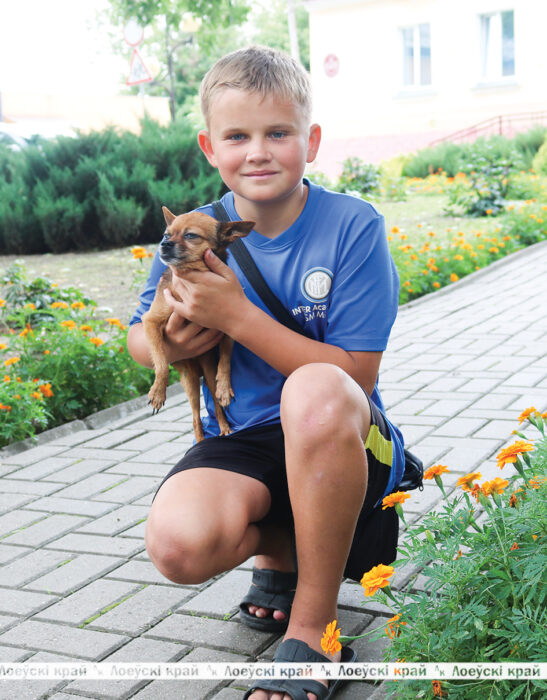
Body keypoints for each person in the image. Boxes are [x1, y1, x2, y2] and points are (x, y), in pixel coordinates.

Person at [127, 45, 405, 700]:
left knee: (314, 386)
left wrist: (237, 317)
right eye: (237, 136)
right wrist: (170, 340)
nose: (257, 152)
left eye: (278, 133)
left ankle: (314, 627)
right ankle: (282, 547)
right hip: (246, 434)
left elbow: (357, 377)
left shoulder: (352, 226)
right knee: (178, 546)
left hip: (340, 435)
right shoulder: (195, 227)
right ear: (209, 146)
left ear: (310, 140)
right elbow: (140, 333)